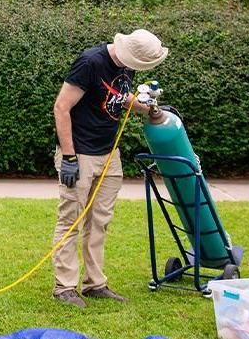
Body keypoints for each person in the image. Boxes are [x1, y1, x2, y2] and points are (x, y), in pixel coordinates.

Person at [50, 28, 168, 308]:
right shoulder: (90, 62)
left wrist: (146, 107)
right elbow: (61, 107)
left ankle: (95, 284)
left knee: (99, 221)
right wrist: (69, 157)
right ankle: (64, 287)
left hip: (109, 154)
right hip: (80, 153)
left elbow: (119, 97)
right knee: (71, 221)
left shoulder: (127, 67)